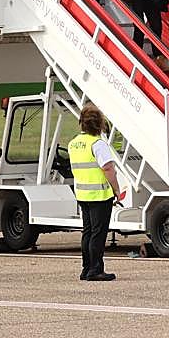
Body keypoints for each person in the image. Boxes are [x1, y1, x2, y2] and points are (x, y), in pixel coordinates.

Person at [67, 104, 123, 282]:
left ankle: (86, 268)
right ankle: (96, 269)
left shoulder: (73, 143)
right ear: (99, 124)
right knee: (98, 233)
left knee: (88, 232)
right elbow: (108, 168)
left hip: (82, 193)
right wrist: (116, 189)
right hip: (99, 195)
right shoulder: (98, 144)